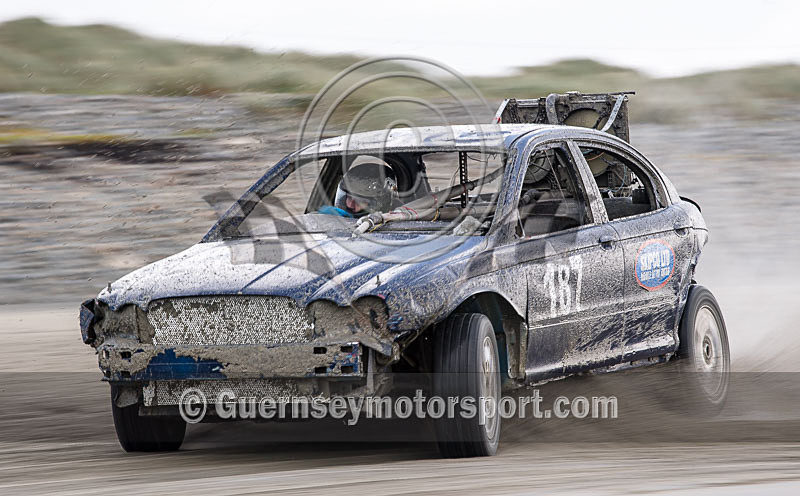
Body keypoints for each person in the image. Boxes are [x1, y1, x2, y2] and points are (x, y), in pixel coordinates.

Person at [319, 163, 398, 218]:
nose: (350, 205)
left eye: (360, 200)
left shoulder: (399, 221)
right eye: (349, 197)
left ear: (381, 202)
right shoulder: (332, 217)